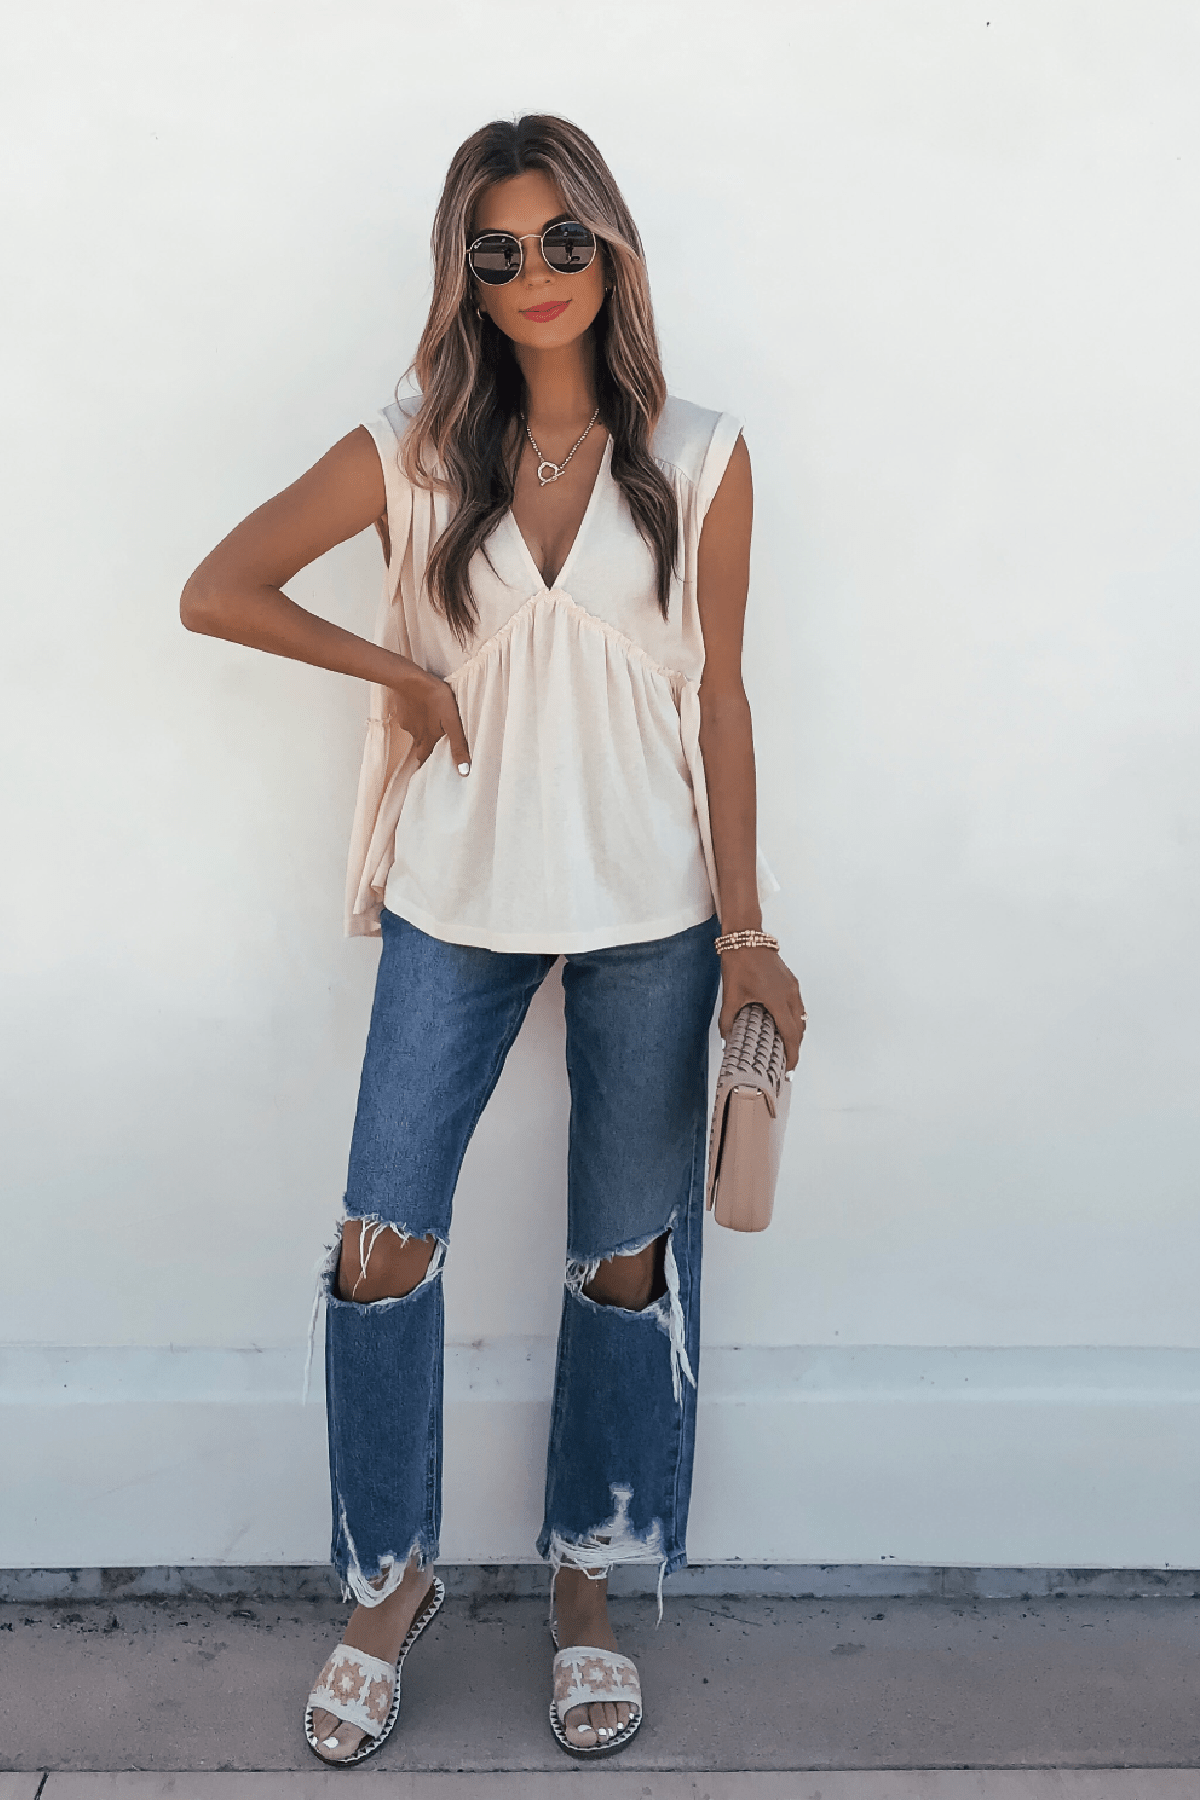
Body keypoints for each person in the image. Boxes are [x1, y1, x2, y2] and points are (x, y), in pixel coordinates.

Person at [180, 112, 805, 1766]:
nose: (533, 275)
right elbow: (220, 587)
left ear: (614, 253)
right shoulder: (412, 447)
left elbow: (721, 699)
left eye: (561, 241)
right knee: (382, 1243)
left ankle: (585, 1585)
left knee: (621, 1261)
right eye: (497, 248)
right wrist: (404, 676)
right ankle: (390, 1587)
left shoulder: (707, 450)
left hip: (652, 912)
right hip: (454, 902)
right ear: (464, 270)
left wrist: (749, 928)